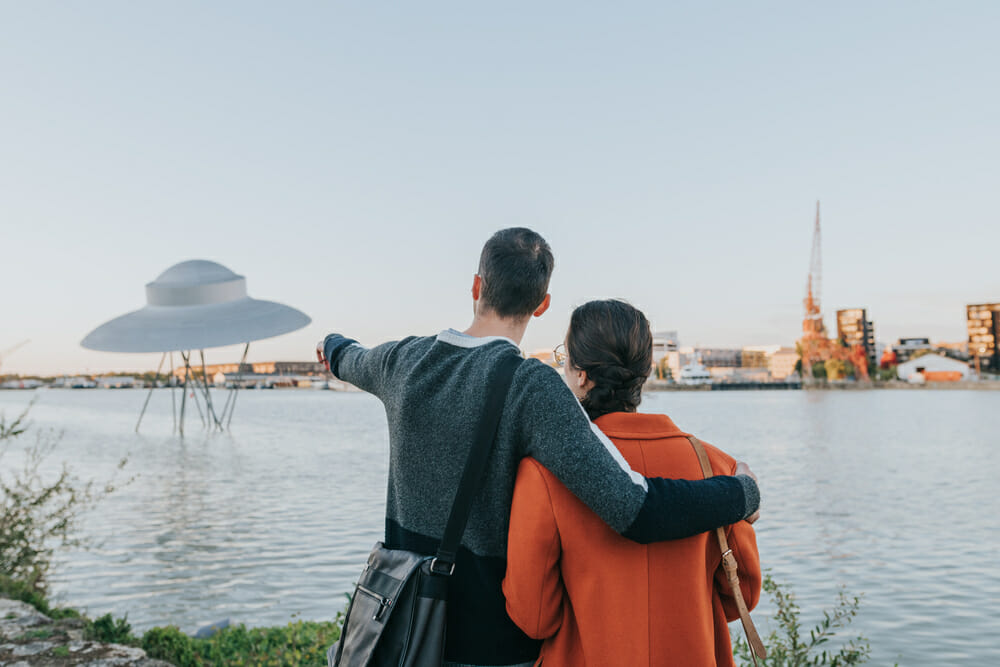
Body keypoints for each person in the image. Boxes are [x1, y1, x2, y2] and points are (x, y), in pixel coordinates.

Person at [318, 228, 760, 667]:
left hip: (403, 630)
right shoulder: (531, 387)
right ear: (542, 303)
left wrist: (330, 344)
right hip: (489, 646)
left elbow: (346, 356)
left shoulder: (402, 360)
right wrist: (741, 493)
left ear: (476, 286)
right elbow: (635, 509)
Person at [503, 299, 762, 666]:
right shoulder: (719, 468)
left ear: (581, 376)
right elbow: (743, 596)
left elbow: (535, 616)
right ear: (647, 370)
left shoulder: (544, 473)